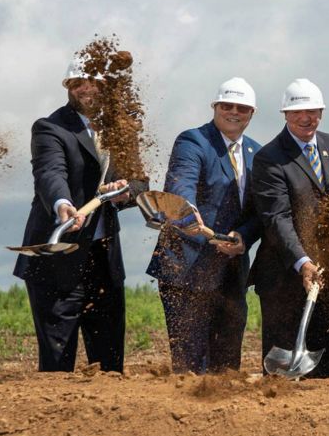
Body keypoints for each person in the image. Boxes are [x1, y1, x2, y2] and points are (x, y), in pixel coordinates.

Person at [14, 57, 146, 372]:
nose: (85, 88)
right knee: (58, 368)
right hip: (59, 262)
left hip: (104, 260)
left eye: (93, 82)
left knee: (110, 366)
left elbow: (141, 181)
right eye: (77, 83)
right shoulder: (51, 128)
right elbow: (50, 173)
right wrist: (62, 204)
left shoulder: (121, 129)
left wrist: (125, 191)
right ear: (69, 88)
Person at [147, 77, 262, 373]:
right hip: (188, 266)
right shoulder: (193, 141)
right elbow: (181, 181)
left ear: (252, 113)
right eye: (227, 105)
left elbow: (259, 212)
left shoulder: (256, 154)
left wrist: (243, 237)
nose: (234, 112)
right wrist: (188, 211)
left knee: (226, 363)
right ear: (215, 107)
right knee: (190, 363)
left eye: (242, 108)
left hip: (232, 271)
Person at [249, 78, 329, 379]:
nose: (307, 118)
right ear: (285, 114)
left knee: (324, 354)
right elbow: (276, 218)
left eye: (313, 111)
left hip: (327, 271)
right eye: (298, 112)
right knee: (284, 372)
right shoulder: (269, 158)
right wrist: (303, 261)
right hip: (284, 274)